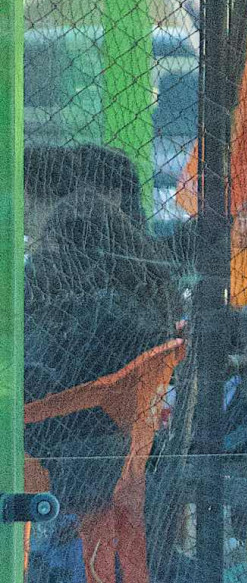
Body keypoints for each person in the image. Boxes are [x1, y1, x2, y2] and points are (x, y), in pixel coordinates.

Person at [23, 193, 176, 512]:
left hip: (65, 449)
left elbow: (49, 387)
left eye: (51, 246)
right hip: (124, 452)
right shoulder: (142, 304)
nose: (42, 255)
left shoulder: (95, 313)